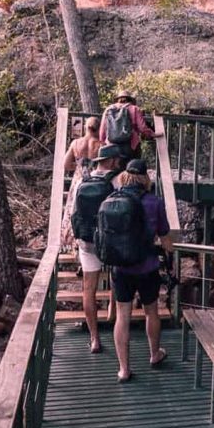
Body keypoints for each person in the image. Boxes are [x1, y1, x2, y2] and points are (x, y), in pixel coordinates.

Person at [97, 159, 172, 382]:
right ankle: (154, 354)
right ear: (145, 178)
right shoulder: (154, 202)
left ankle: (123, 369)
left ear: (125, 177)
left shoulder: (112, 200)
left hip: (121, 269)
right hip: (147, 267)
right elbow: (167, 241)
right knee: (151, 312)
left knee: (122, 316)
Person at [70, 144, 124, 353]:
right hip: (110, 241)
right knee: (116, 278)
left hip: (87, 242)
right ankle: (112, 313)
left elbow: (75, 213)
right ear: (110, 161)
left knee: (89, 289)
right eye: (117, 160)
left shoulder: (83, 181)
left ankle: (94, 339)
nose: (119, 163)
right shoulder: (118, 181)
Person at [61, 116, 102, 250]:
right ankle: (91, 241)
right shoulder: (102, 145)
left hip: (79, 179)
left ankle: (72, 242)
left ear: (86, 127)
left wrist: (78, 167)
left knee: (73, 209)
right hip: (95, 181)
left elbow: (66, 165)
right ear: (98, 128)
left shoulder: (76, 143)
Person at [99, 93, 161, 161]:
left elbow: (102, 129)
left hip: (111, 144)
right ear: (130, 100)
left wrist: (102, 143)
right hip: (131, 144)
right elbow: (142, 128)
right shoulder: (134, 108)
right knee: (132, 167)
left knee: (115, 168)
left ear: (117, 99)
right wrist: (152, 134)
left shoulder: (108, 109)